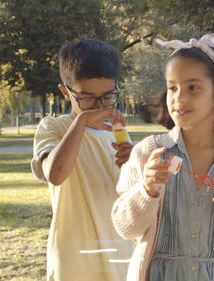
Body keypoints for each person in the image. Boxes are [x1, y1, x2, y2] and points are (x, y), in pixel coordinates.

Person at [111, 33, 214, 281]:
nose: (179, 98)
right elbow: (125, 227)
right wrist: (147, 190)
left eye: (193, 87)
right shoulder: (148, 155)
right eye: (172, 87)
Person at [30, 38, 134, 281]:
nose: (99, 106)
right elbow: (55, 174)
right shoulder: (54, 128)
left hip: (120, 257)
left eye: (107, 97)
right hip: (75, 262)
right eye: (87, 99)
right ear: (66, 92)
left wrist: (135, 168)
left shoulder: (119, 135)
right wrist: (83, 121)